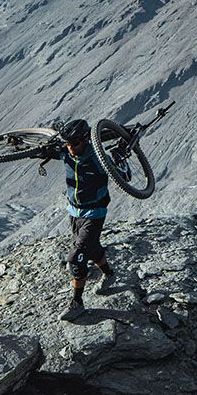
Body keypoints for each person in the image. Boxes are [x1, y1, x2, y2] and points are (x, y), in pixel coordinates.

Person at [55, 118, 114, 322]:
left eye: (75, 144)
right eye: (68, 144)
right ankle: (109, 274)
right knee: (92, 248)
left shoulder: (99, 159)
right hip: (74, 212)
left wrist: (120, 163)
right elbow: (49, 151)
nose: (71, 148)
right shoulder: (66, 153)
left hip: (95, 213)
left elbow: (124, 175)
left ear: (86, 140)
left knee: (76, 257)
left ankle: (77, 303)